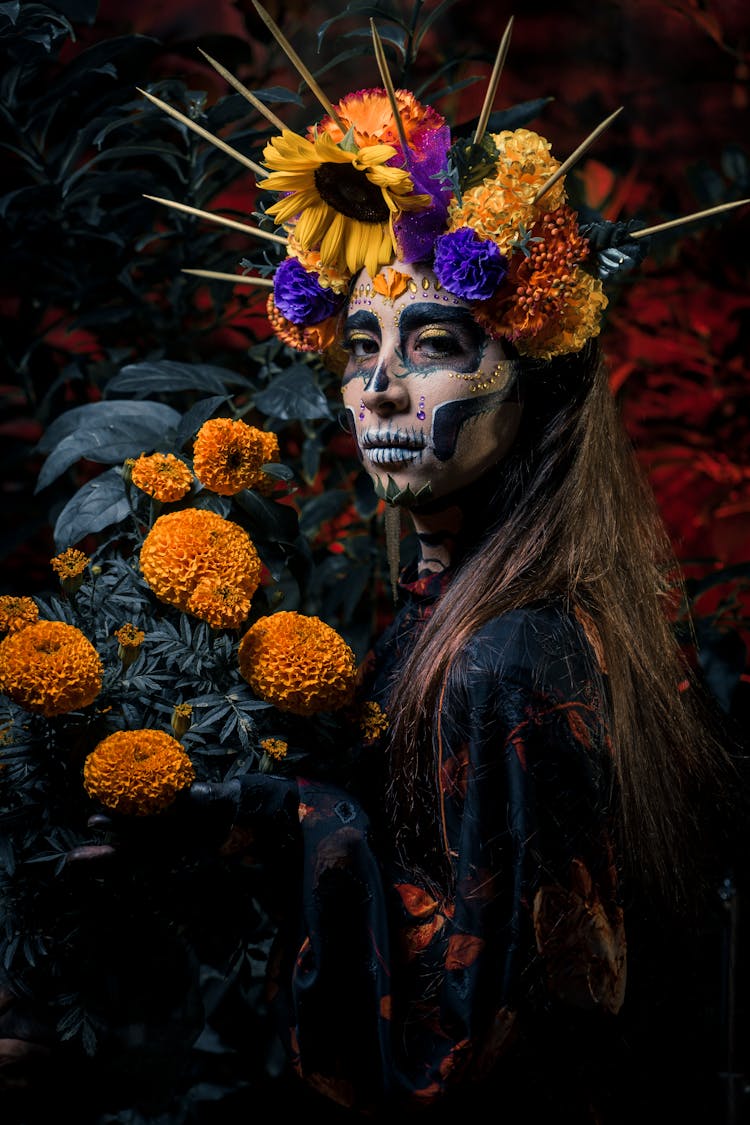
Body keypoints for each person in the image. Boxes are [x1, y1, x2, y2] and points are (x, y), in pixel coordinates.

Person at [2, 7, 748, 1122]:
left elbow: (473, 1049)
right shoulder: (478, 597)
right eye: (362, 346)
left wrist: (280, 807)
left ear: (537, 381)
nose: (379, 392)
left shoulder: (511, 650)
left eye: (437, 344)